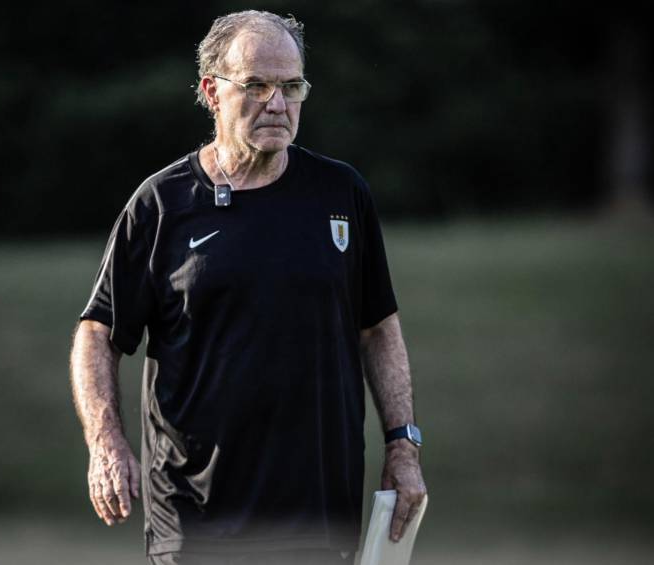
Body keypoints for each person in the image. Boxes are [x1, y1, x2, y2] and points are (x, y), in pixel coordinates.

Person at [70, 10, 426, 565]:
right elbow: (97, 332)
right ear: (212, 91)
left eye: (291, 86)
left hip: (316, 518)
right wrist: (104, 442)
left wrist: (403, 445)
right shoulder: (162, 204)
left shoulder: (341, 194)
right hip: (196, 522)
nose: (277, 104)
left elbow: (378, 328)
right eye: (256, 85)